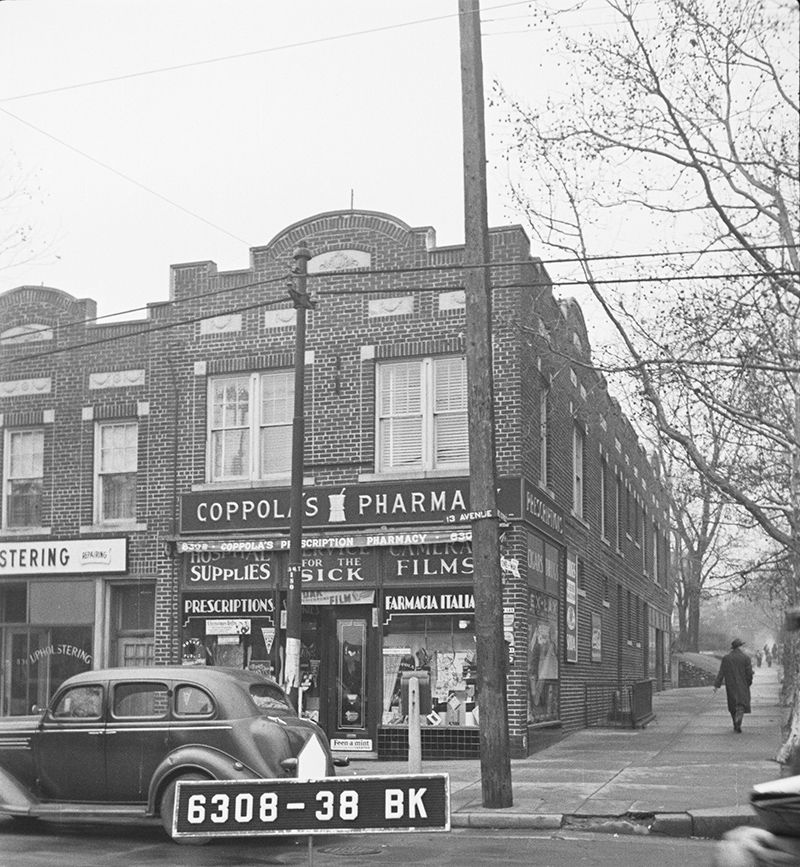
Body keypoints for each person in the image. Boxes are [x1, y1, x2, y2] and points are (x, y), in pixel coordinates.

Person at [714, 638, 753, 733]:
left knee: (732, 705)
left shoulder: (726, 658)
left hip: (730, 684)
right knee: (741, 703)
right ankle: (738, 720)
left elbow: (721, 672)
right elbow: (749, 673)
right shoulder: (746, 658)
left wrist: (716, 685)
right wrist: (748, 682)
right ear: (739, 647)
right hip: (743, 684)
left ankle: (735, 724)